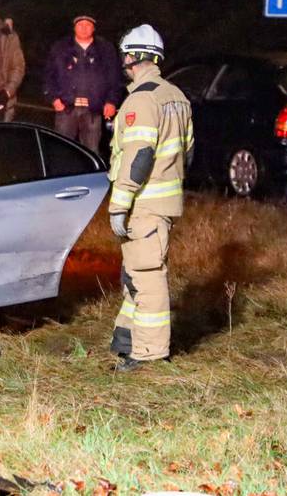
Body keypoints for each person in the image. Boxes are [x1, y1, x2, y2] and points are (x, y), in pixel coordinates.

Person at [107, 24, 194, 373]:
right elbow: (188, 150)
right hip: (165, 201)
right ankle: (128, 337)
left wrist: (120, 203)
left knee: (147, 275)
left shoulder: (141, 99)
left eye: (125, 55)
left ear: (133, 57)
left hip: (144, 202)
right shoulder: (175, 95)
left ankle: (148, 353)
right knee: (135, 272)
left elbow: (139, 156)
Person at [43, 15, 122, 152]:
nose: (84, 28)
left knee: (91, 151)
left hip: (93, 110)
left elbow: (114, 77)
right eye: (80, 25)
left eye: (88, 25)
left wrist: (111, 101)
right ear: (74, 27)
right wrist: (54, 98)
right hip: (66, 108)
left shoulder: (105, 49)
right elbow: (49, 75)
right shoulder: (60, 48)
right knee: (62, 149)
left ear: (94, 28)